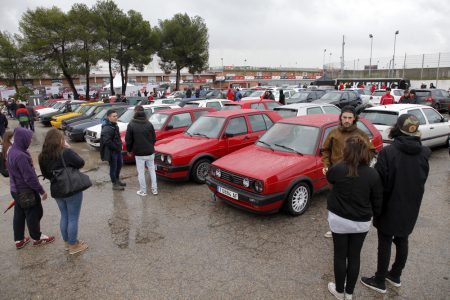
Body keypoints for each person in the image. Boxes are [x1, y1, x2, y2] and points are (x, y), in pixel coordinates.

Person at [360, 114, 431, 294]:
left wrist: (375, 206)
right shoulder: (424, 153)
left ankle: (379, 280)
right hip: (411, 205)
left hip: (389, 205)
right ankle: (396, 275)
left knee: (385, 241)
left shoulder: (388, 152)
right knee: (402, 239)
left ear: (397, 128)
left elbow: (378, 183)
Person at [327, 136, 383, 300]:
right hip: (361, 222)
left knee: (339, 255)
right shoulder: (373, 174)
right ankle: (349, 293)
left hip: (339, 219)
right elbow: (377, 200)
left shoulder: (338, 168)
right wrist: (376, 215)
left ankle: (339, 290)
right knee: (354, 256)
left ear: (346, 151)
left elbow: (330, 179)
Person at [321, 105, 376, 238]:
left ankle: (352, 228)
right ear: (340, 118)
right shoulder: (334, 133)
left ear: (354, 119)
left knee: (352, 199)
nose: (346, 120)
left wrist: (363, 166)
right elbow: (326, 150)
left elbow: (371, 151)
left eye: (349, 118)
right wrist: (326, 165)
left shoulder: (361, 134)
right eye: (344, 117)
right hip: (336, 173)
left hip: (354, 174)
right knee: (334, 200)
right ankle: (334, 228)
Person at [39, 129, 88, 255]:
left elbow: (45, 174)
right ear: (59, 140)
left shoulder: (42, 156)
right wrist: (69, 148)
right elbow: (80, 163)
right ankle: (73, 245)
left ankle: (67, 242)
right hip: (71, 188)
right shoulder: (65, 152)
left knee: (64, 215)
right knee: (73, 217)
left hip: (56, 189)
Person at [7, 127, 54, 249]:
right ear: (22, 139)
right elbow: (29, 178)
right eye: (28, 139)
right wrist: (41, 191)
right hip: (25, 192)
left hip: (15, 190)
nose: (30, 142)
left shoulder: (11, 150)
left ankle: (19, 240)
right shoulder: (21, 156)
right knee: (33, 213)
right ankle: (37, 238)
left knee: (19, 214)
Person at [125, 109, 158, 196]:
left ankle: (143, 191)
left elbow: (128, 140)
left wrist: (129, 150)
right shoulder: (149, 124)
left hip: (139, 153)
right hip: (150, 152)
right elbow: (154, 138)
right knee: (152, 170)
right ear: (145, 116)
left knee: (141, 172)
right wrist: (150, 146)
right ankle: (154, 190)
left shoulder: (131, 124)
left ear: (135, 116)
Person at [100, 109, 125, 191]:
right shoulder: (107, 128)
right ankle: (114, 184)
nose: (116, 117)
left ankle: (117, 180)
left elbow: (117, 138)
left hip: (117, 151)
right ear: (108, 117)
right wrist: (116, 147)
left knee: (119, 165)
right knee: (113, 168)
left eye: (116, 116)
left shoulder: (114, 125)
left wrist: (120, 145)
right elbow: (107, 141)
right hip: (112, 152)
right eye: (113, 116)